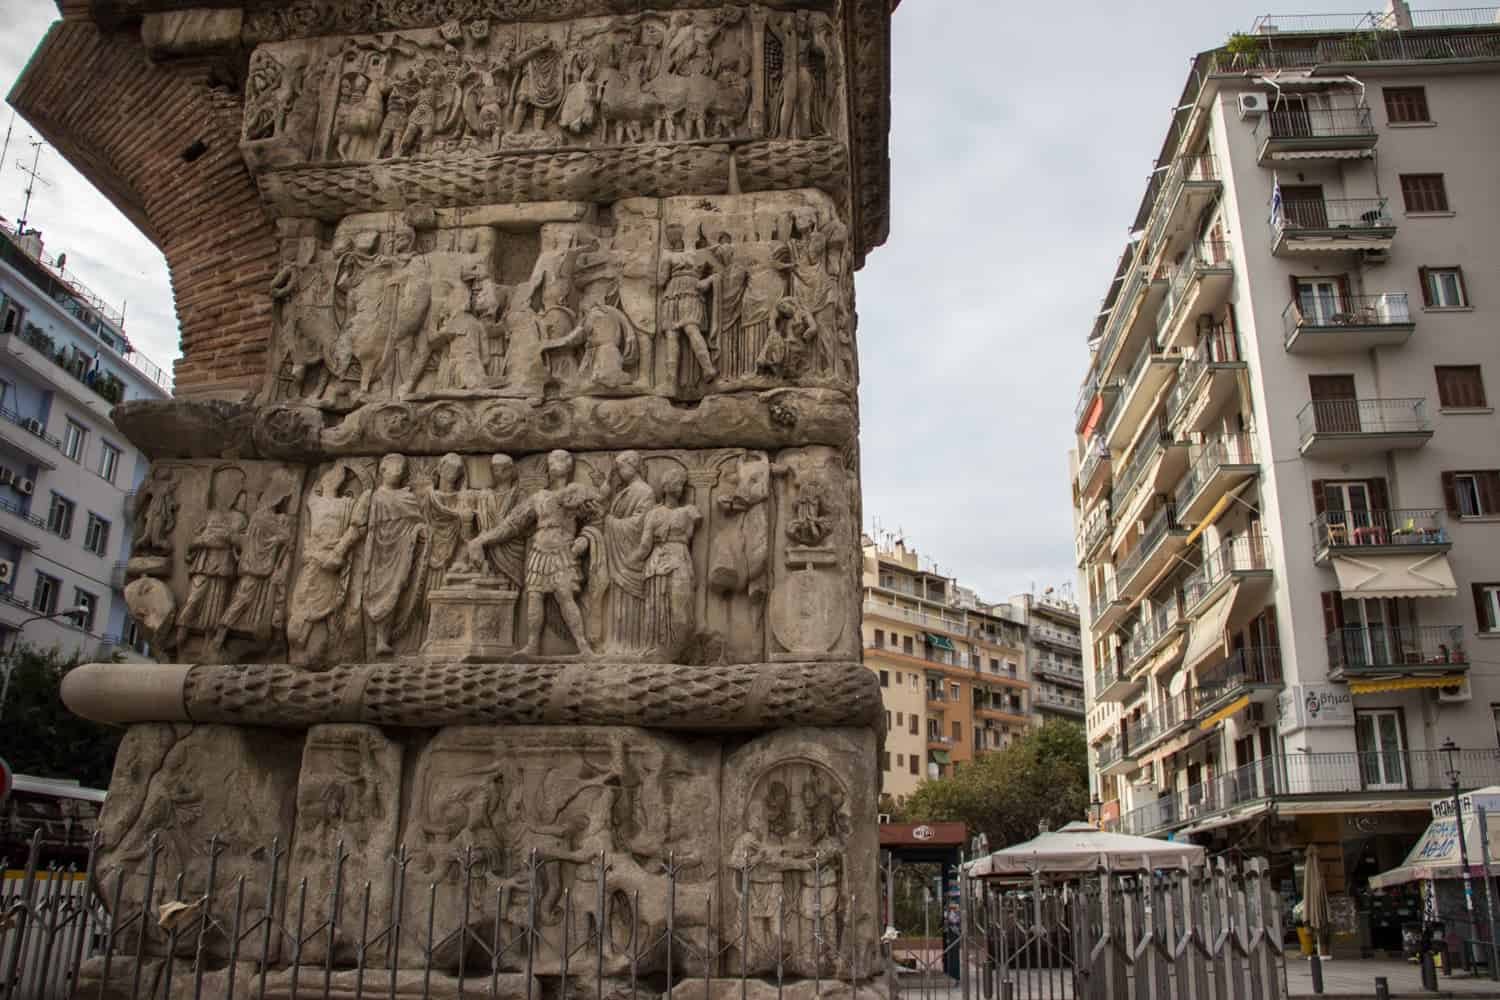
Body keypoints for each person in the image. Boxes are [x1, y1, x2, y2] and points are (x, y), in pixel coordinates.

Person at [467, 450, 599, 656]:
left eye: (561, 459)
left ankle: (583, 646)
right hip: (539, 549)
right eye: (552, 459)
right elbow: (512, 524)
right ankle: (532, 644)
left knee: (564, 595)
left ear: (570, 465)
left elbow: (598, 516)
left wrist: (585, 537)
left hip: (562, 548)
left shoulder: (578, 491)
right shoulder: (538, 497)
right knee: (534, 596)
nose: (555, 463)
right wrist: (481, 540)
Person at [363, 454, 430, 655]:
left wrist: (419, 530)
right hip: (380, 551)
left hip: (402, 549)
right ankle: (377, 639)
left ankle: (386, 638)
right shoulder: (377, 496)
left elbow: (417, 522)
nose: (398, 471)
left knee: (398, 586)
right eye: (394, 468)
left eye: (401, 468)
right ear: (382, 470)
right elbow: (371, 528)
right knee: (377, 591)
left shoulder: (407, 497)